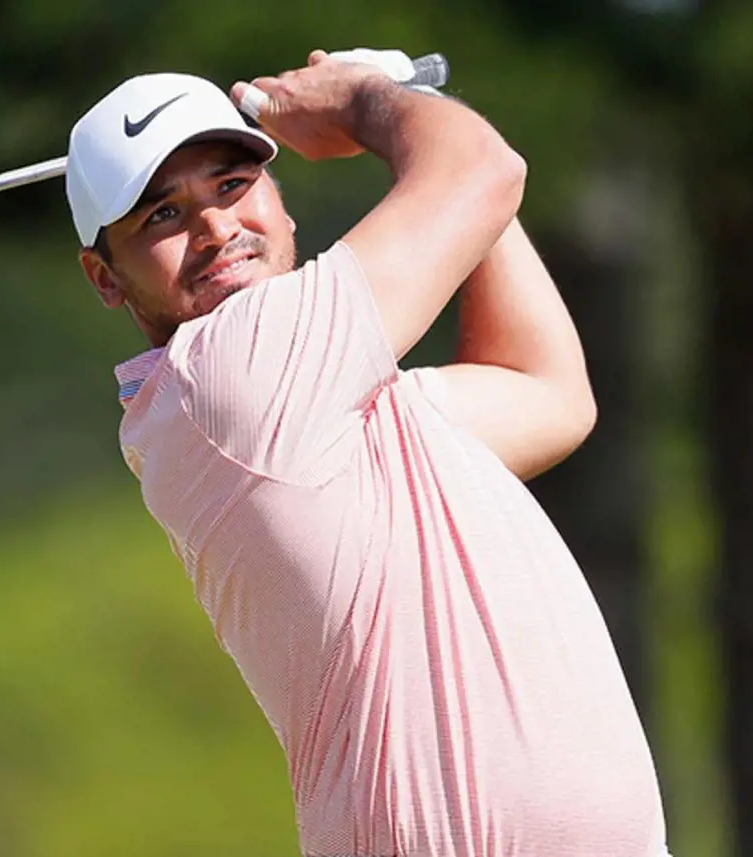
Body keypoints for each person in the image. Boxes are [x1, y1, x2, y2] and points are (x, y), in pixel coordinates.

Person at [64, 49, 669, 857]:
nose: (215, 228)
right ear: (105, 278)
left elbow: (546, 390)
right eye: (161, 216)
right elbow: (483, 169)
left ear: (280, 204)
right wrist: (367, 99)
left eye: (232, 185)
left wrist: (420, 108)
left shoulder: (324, 406)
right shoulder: (227, 377)